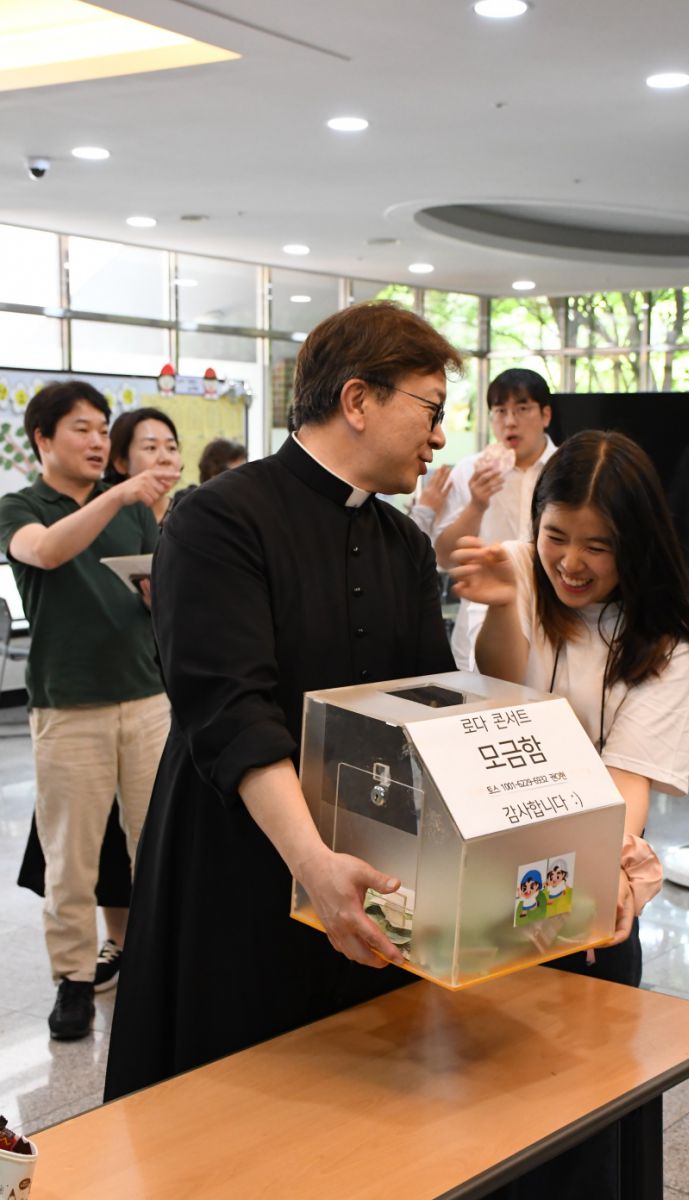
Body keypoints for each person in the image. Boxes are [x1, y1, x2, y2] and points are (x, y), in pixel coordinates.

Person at [104, 300, 462, 1101]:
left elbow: (430, 707)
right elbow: (231, 711)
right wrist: (310, 861)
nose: (439, 437)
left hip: (364, 862)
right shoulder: (218, 519)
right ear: (358, 400)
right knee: (233, 1094)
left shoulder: (405, 543)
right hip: (237, 855)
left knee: (364, 1094)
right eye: (431, 410)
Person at [451, 429, 689, 1198]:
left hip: (581, 898)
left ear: (636, 544)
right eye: (556, 535)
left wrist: (590, 880)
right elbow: (497, 696)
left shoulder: (666, 646)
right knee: (481, 1119)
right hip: (484, 889)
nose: (570, 562)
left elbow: (625, 783)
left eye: (598, 546)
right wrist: (505, 606)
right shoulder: (515, 572)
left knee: (578, 1124)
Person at [0, 381, 174, 1040]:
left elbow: (157, 592)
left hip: (147, 697)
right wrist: (120, 496)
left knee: (153, 843)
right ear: (43, 439)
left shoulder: (134, 510)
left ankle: (152, 961)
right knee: (71, 856)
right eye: (82, 428)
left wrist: (158, 597)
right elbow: (45, 551)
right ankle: (73, 980)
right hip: (68, 706)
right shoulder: (21, 506)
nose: (99, 440)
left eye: (104, 429)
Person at [433, 368, 557, 669]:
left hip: (553, 616)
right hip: (480, 619)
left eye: (522, 409)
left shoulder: (567, 469)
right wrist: (477, 504)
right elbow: (445, 557)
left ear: (545, 415)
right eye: (500, 411)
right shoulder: (469, 471)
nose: (510, 421)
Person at [104, 407, 183, 525]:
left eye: (171, 448)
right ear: (121, 463)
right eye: (151, 448)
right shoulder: (102, 518)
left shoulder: (190, 513)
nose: (165, 459)